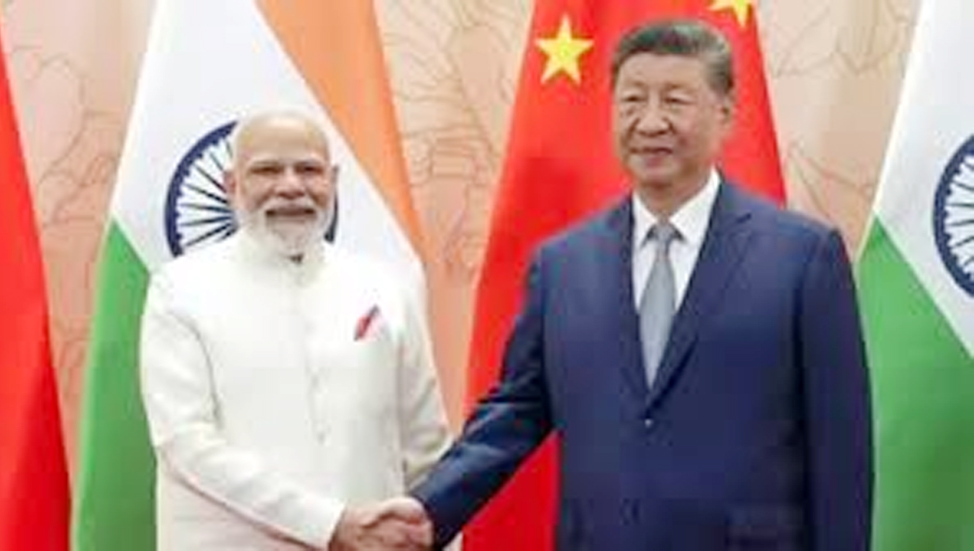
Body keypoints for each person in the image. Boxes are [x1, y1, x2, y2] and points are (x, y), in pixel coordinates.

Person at [362, 18, 873, 551]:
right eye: (632, 101)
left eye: (674, 101)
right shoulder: (562, 265)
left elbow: (841, 447)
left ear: (725, 114)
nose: (650, 122)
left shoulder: (802, 257)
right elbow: (517, 410)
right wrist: (430, 508)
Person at [139, 110, 450, 550]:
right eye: (267, 170)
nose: (290, 186)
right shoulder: (180, 290)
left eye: (308, 170)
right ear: (232, 185)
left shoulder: (383, 286)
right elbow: (185, 441)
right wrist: (330, 525)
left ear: (333, 181)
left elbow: (426, 443)